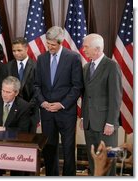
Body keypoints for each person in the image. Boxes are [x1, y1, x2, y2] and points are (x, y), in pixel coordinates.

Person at [34, 26, 83, 176]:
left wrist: (61, 104)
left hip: (66, 112)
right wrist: (43, 103)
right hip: (47, 111)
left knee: (68, 149)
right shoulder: (41, 58)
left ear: (60, 42)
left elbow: (77, 86)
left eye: (53, 45)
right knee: (49, 148)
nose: (49, 47)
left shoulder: (73, 57)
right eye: (47, 44)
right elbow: (36, 85)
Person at [80, 33, 122, 176]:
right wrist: (83, 117)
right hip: (89, 123)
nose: (83, 49)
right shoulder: (86, 67)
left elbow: (115, 97)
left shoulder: (112, 66)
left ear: (97, 49)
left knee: (109, 159)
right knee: (94, 160)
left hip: (106, 124)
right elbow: (86, 95)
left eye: (86, 47)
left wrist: (111, 122)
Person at [7, 37, 39, 133]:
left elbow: (38, 89)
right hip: (12, 113)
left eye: (19, 50)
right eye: (14, 51)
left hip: (31, 111)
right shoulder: (7, 67)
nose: (16, 53)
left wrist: (28, 106)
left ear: (26, 49)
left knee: (29, 142)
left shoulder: (36, 66)